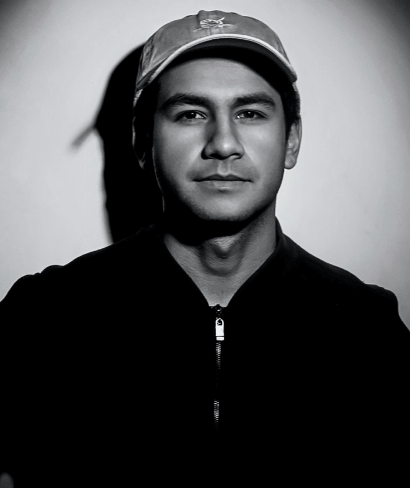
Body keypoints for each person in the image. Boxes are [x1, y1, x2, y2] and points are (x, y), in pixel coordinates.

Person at [1, 10, 409, 485]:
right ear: (142, 143)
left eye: (250, 113)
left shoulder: (367, 328)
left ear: (292, 140)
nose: (223, 144)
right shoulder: (45, 316)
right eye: (191, 113)